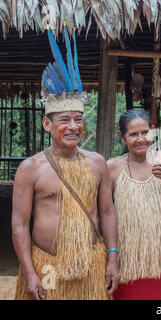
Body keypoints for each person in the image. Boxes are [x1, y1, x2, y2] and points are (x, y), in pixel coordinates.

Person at [12, 26, 119, 300]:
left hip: (91, 265)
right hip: (46, 265)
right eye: (64, 120)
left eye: (79, 119)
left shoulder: (97, 163)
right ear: (47, 123)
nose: (73, 126)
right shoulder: (31, 168)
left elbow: (107, 213)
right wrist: (30, 272)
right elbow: (20, 224)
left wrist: (113, 258)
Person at [107, 110, 161, 300]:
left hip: (160, 261)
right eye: (133, 134)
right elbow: (105, 213)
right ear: (121, 137)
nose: (141, 139)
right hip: (128, 262)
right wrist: (111, 255)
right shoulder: (113, 167)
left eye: (145, 132)